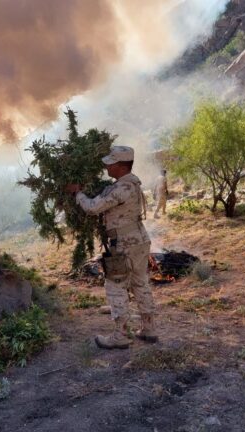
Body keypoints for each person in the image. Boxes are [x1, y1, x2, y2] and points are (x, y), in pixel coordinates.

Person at [65, 146, 157, 349]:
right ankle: (149, 329)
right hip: (138, 240)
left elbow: (92, 208)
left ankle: (121, 336)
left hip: (124, 243)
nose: (107, 166)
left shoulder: (122, 188)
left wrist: (77, 193)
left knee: (115, 285)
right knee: (140, 283)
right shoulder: (132, 183)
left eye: (111, 163)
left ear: (122, 166)